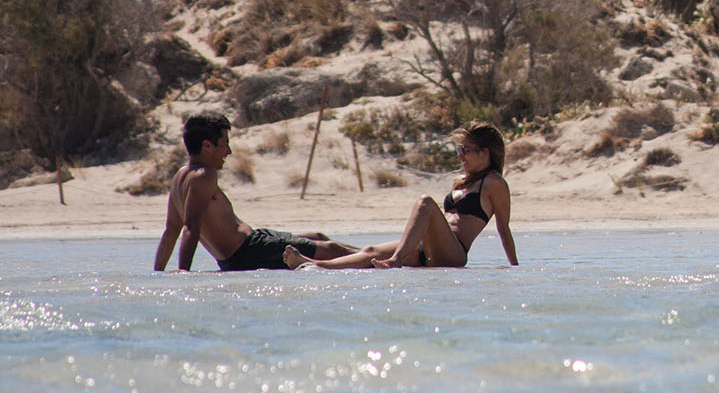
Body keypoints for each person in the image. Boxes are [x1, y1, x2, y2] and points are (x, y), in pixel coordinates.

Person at [284, 120, 518, 269]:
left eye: (465, 150)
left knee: (425, 202)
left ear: (485, 153)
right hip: (426, 247)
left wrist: (515, 269)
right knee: (370, 252)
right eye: (459, 150)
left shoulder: (494, 183)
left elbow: (503, 228)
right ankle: (315, 265)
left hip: (452, 253)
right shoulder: (461, 181)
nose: (460, 156)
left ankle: (396, 261)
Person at [153, 111, 358, 272]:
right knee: (329, 250)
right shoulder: (203, 176)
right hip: (250, 252)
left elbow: (171, 230)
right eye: (225, 144)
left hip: (254, 244)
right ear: (207, 145)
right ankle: (379, 261)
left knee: (318, 237)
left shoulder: (180, 177)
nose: (229, 151)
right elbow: (191, 227)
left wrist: (158, 274)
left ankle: (373, 256)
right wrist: (184, 271)